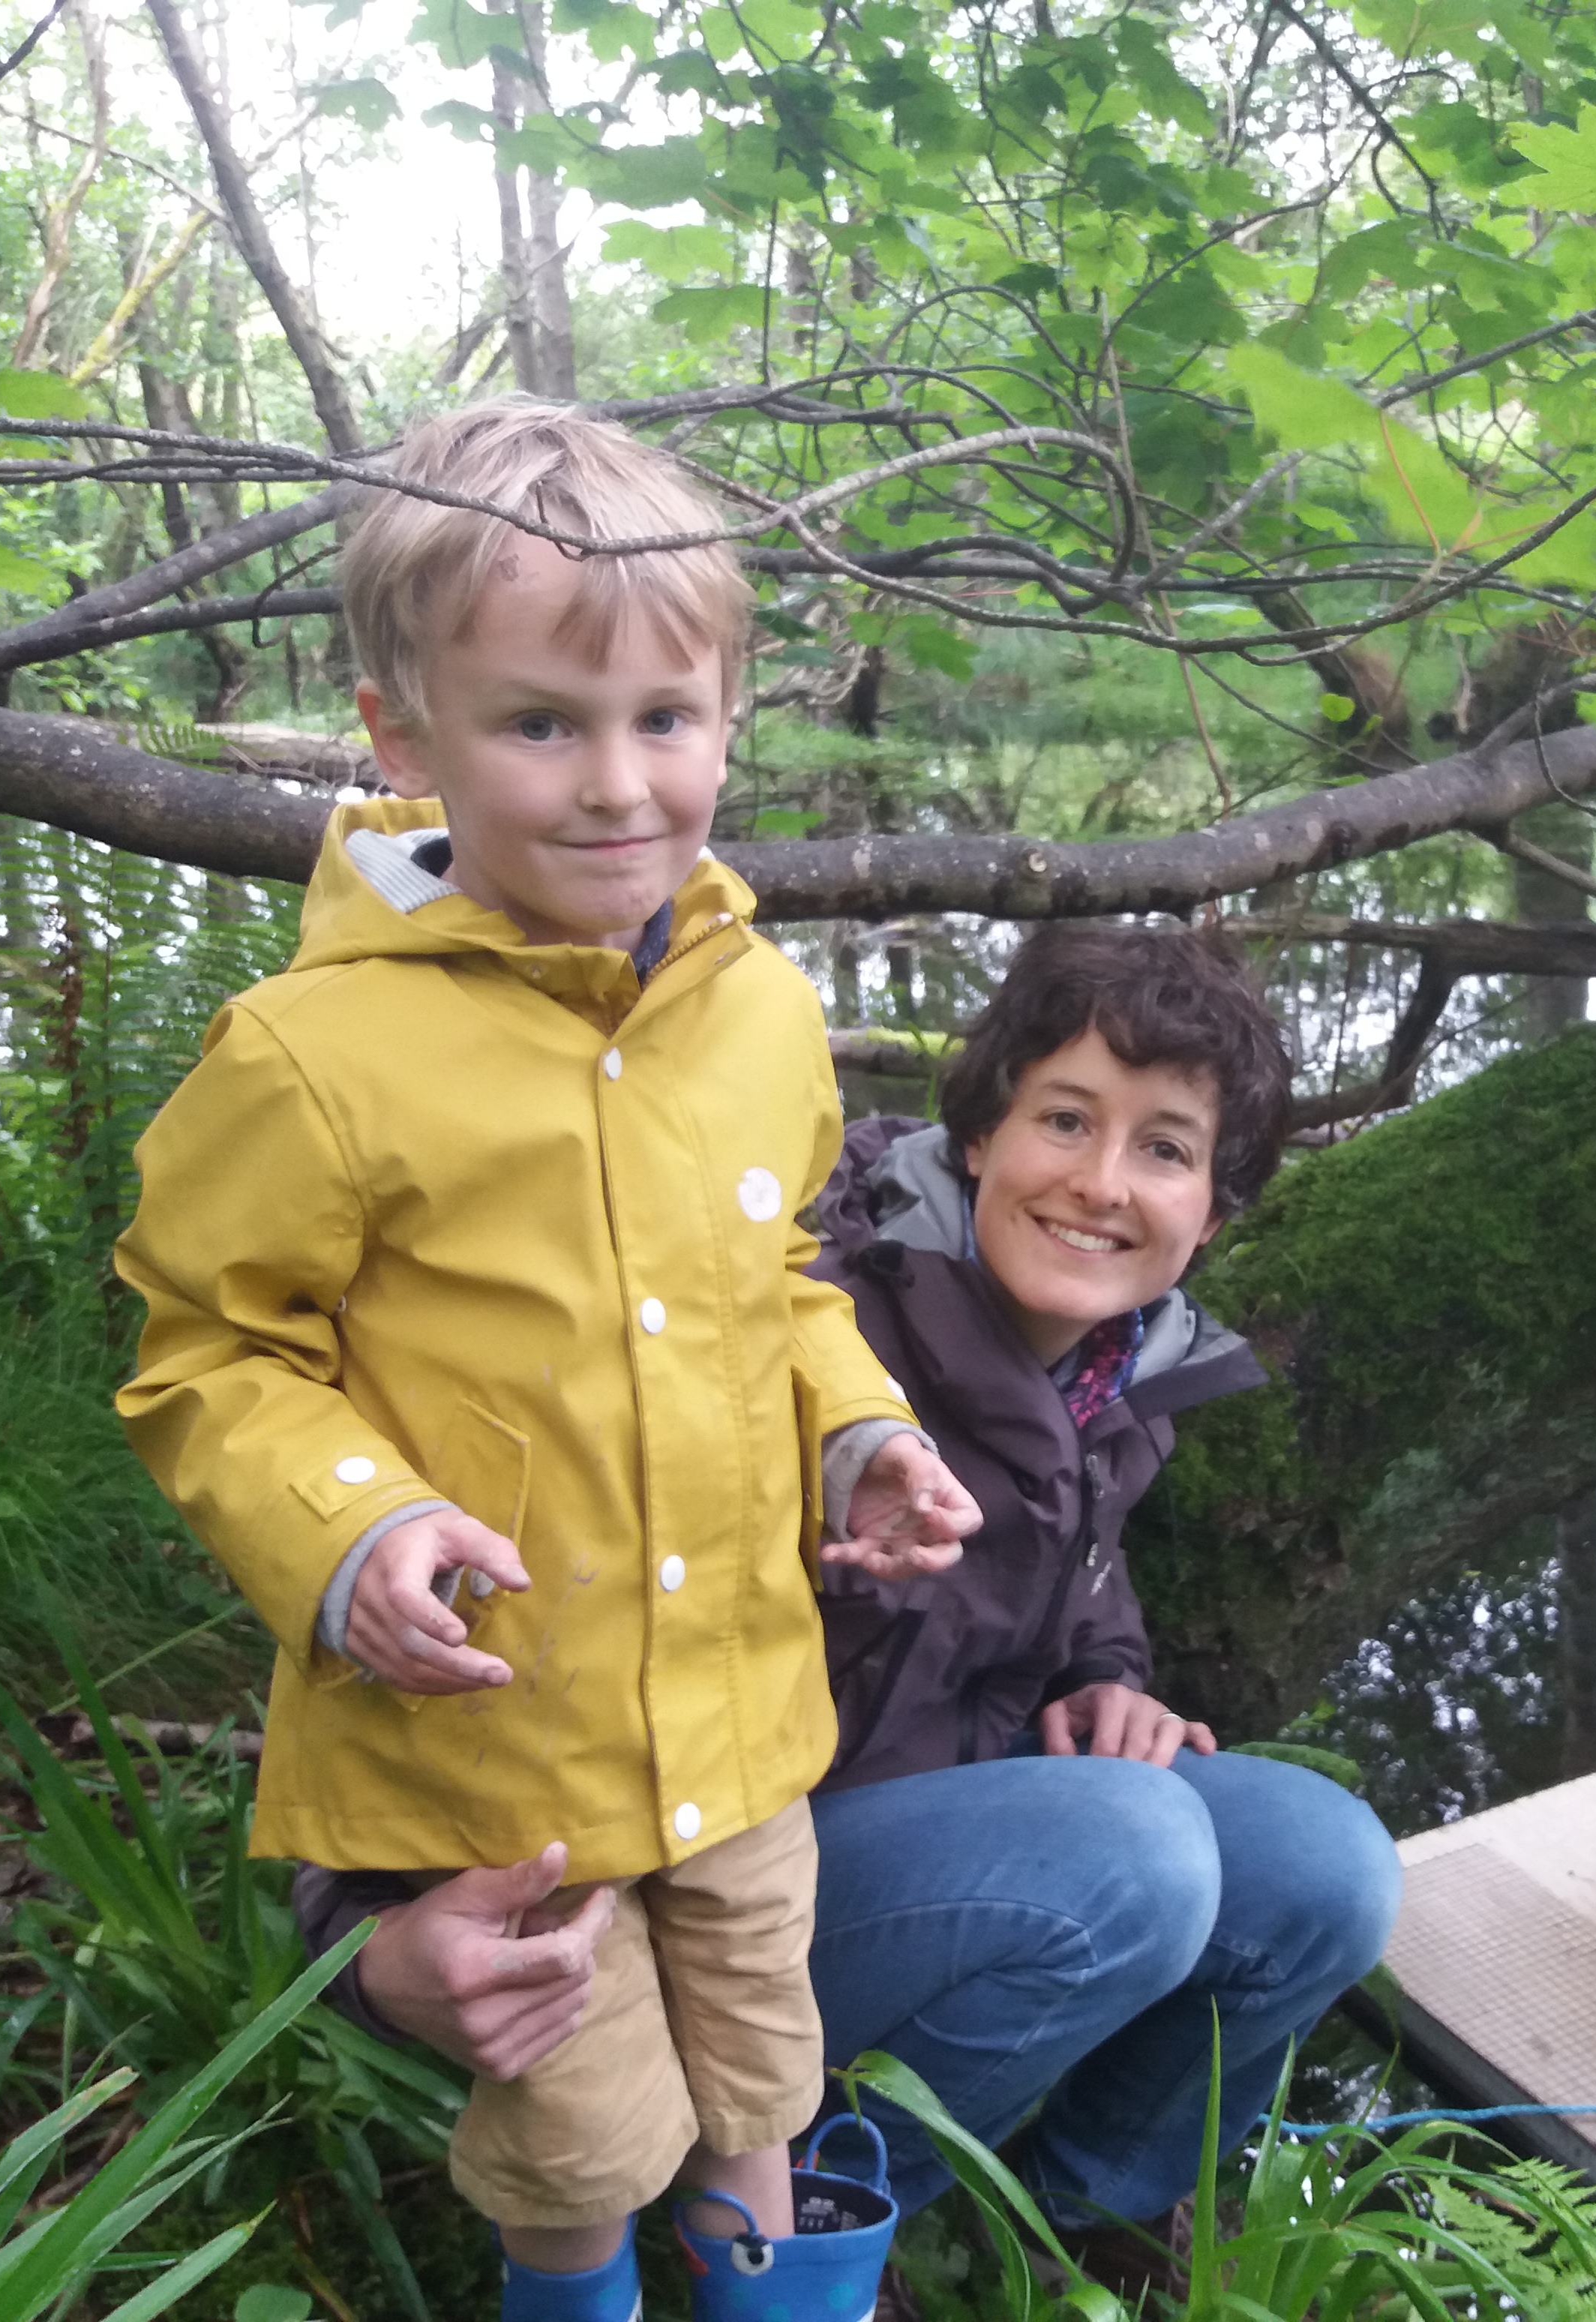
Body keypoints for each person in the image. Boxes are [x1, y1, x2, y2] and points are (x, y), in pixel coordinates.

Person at [114, 398, 980, 2322]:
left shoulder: (755, 1006)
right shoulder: (313, 1055)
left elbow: (780, 1278)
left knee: (767, 2077)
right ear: (403, 737)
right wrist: (355, 1526)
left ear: (733, 713)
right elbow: (209, 1351)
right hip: (497, 1757)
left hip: (743, 1722)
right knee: (581, 2146)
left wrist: (861, 1440)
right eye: (538, 725)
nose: (615, 786)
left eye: (665, 720)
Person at [304, 922, 1405, 2301]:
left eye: (1166, 1149)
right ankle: (785, 2214)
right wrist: (362, 1946)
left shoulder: (1120, 1382)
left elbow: (1077, 1596)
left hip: (928, 1850)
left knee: (1325, 1865)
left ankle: (1065, 2228)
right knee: (1141, 1860)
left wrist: (1106, 1679)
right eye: (1065, 1118)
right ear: (981, 1134)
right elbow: (498, 1641)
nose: (1101, 1183)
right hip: (711, 1910)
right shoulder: (811, 1337)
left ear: (1214, 1213)